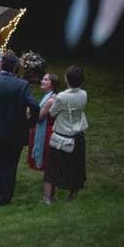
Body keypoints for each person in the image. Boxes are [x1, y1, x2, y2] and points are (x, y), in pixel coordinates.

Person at [0, 54, 40, 206]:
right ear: (15, 67)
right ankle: (6, 197)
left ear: (0, 65)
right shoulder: (21, 84)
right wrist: (30, 123)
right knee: (10, 165)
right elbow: (35, 106)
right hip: (15, 132)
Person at [44, 65, 89, 203]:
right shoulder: (84, 94)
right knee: (76, 167)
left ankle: (47, 198)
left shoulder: (61, 97)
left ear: (66, 79)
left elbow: (52, 113)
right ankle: (72, 197)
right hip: (78, 135)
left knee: (52, 167)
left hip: (62, 135)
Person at [28, 73, 59, 178]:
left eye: (46, 80)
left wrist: (28, 112)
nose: (42, 81)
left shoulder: (50, 100)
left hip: (46, 134)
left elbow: (38, 118)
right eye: (42, 79)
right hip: (44, 130)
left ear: (52, 84)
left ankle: (50, 184)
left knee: (48, 162)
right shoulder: (48, 97)